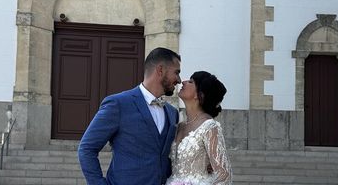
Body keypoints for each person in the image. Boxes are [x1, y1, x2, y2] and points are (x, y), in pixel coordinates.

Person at [78, 47, 182, 185]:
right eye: (176, 72)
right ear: (160, 70)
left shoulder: (172, 112)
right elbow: (87, 149)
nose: (179, 80)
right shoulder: (118, 104)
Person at [166, 71, 232, 185]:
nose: (183, 82)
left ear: (199, 94)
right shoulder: (179, 126)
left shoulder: (210, 127)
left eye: (191, 82)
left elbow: (224, 175)